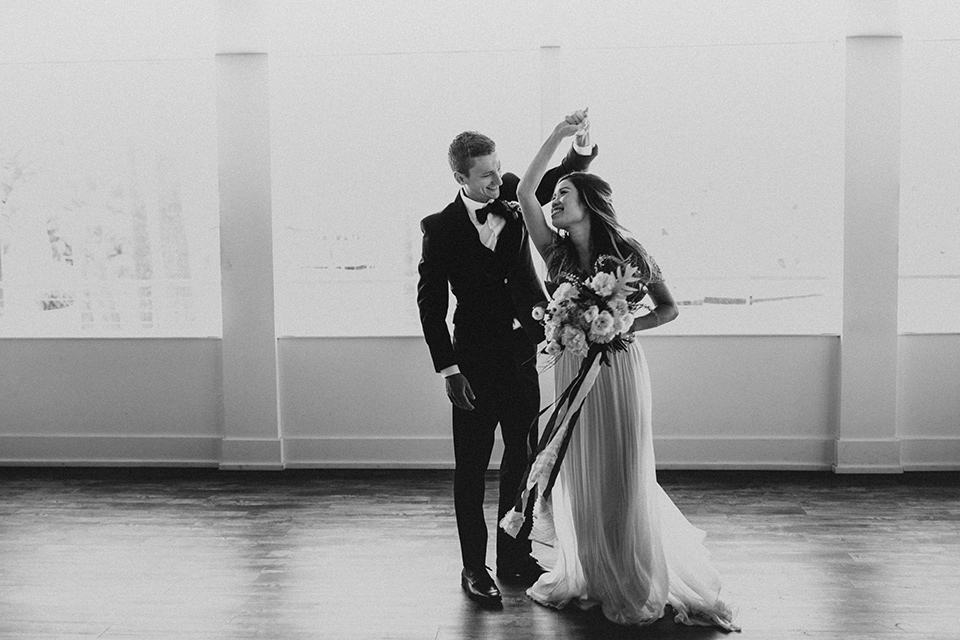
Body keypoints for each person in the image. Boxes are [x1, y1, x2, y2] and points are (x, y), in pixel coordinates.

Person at [510, 114, 740, 630]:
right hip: (571, 370)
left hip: (616, 371)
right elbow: (525, 191)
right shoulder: (555, 254)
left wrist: (622, 325)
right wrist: (558, 136)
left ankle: (632, 575)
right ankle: (594, 572)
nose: (554, 200)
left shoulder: (632, 253)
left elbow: (669, 308)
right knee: (582, 475)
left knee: (620, 470)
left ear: (588, 203)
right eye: (555, 195)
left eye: (564, 192)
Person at [417, 112, 597, 606]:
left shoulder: (516, 193)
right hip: (472, 366)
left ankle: (513, 558)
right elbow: (431, 306)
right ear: (461, 178)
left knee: (523, 461)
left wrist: (580, 143)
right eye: (486, 175)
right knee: (471, 470)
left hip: (523, 356)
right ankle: (474, 568)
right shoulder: (439, 228)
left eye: (499, 169)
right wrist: (448, 369)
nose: (499, 180)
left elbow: (562, 177)